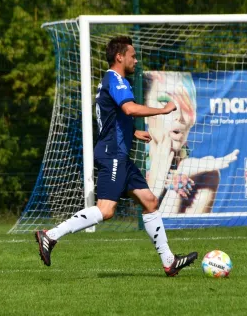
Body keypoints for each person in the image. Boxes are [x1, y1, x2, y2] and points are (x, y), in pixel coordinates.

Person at [35, 36, 198, 276]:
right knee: (106, 210)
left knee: (150, 202)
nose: (136, 60)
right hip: (112, 155)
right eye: (132, 55)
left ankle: (169, 261)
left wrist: (133, 132)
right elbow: (129, 109)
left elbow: (112, 119)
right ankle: (50, 235)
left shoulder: (115, 82)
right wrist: (162, 110)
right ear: (119, 56)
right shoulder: (115, 79)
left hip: (119, 155)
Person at [144, 71, 239, 214]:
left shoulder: (184, 155)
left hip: (176, 225)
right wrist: (182, 172)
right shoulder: (135, 156)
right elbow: (147, 216)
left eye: (187, 105)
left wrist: (182, 173)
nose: (180, 116)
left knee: (210, 174)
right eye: (165, 101)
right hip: (150, 225)